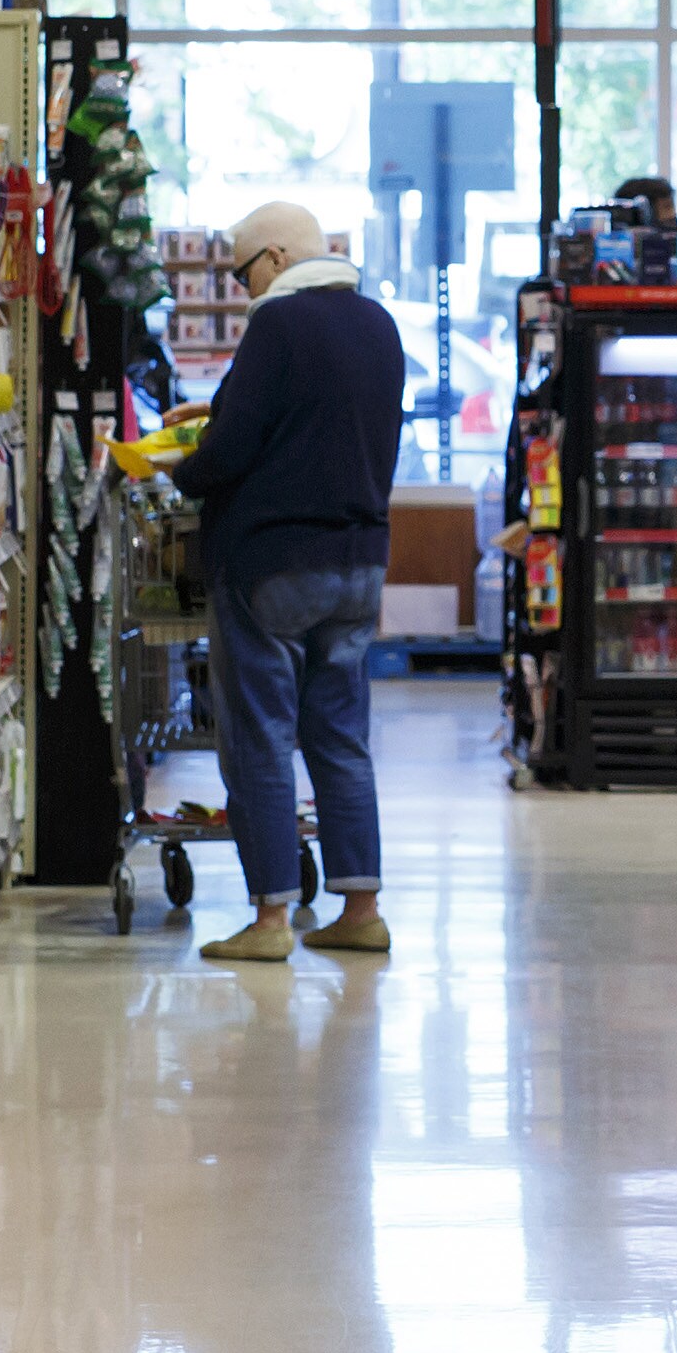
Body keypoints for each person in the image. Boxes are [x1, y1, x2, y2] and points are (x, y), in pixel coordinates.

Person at [172, 200, 408, 963]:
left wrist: (184, 469)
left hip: (274, 564)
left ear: (273, 258)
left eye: (244, 274)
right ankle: (360, 908)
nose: (243, 291)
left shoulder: (279, 324)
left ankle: (271, 920)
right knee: (341, 737)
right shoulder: (378, 324)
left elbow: (236, 444)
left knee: (261, 740)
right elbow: (324, 422)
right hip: (361, 559)